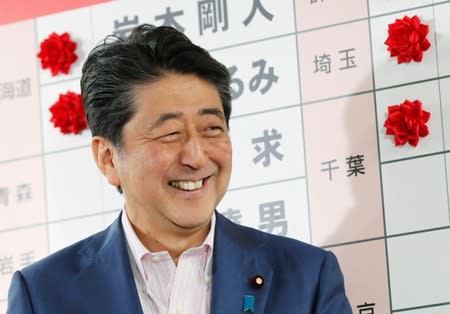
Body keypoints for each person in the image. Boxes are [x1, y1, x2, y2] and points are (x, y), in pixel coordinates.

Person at [7, 24, 351, 314]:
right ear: (108, 158)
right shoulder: (43, 295)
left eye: (211, 128)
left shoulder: (307, 277)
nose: (196, 156)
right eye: (170, 134)